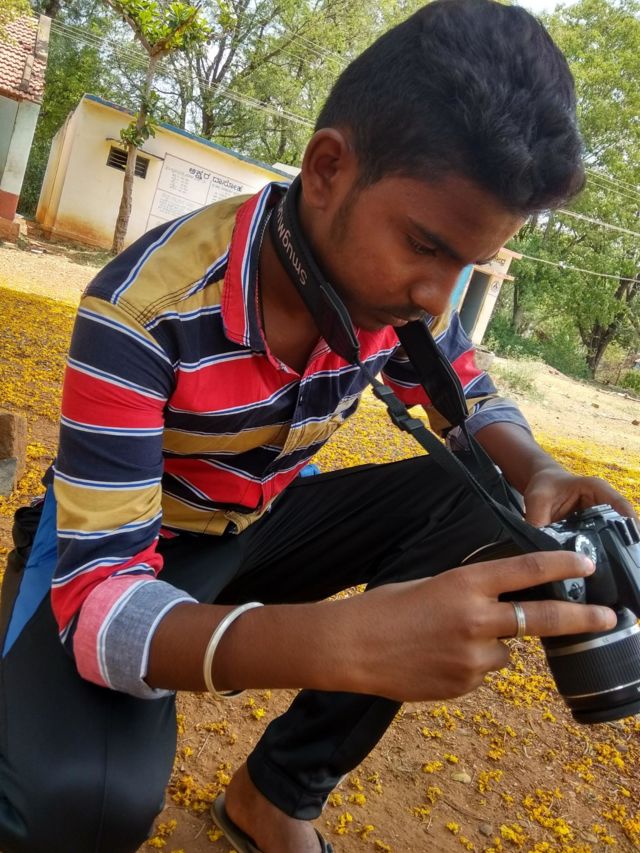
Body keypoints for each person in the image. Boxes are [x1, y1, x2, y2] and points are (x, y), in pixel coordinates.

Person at [0, 1, 634, 851]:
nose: (437, 296)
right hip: (138, 541)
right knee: (75, 807)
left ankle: (276, 794)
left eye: (468, 265)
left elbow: (470, 396)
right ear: (328, 167)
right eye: (426, 246)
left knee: (491, 503)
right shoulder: (142, 312)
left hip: (262, 522)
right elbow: (103, 604)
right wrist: (339, 642)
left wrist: (538, 469)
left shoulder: (395, 298)